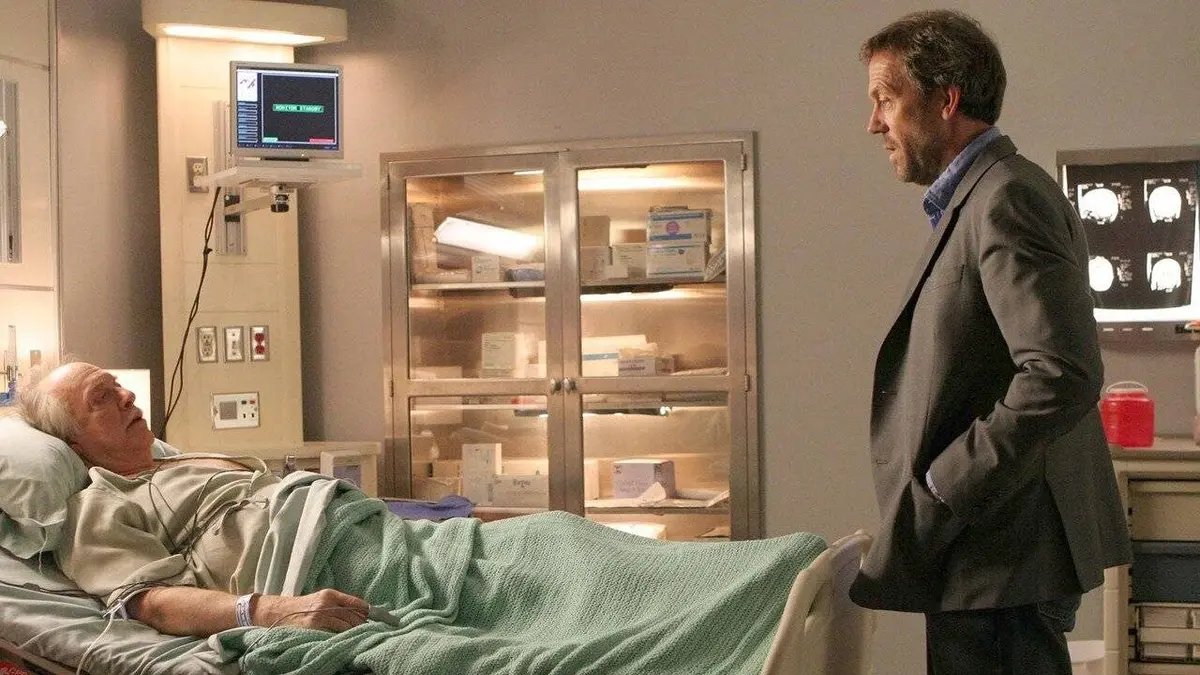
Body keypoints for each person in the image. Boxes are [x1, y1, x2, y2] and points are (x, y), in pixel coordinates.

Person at [849, 10, 1131, 675]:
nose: (873, 124)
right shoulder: (981, 197)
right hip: (993, 552)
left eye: (886, 99)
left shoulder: (1006, 198)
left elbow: (1060, 374)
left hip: (1001, 552)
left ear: (946, 99)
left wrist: (946, 484)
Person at [18, 361, 372, 636]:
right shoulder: (98, 506)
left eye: (117, 385)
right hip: (317, 559)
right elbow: (152, 603)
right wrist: (269, 611)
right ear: (75, 442)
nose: (127, 396)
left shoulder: (181, 461)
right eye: (101, 397)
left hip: (351, 520)